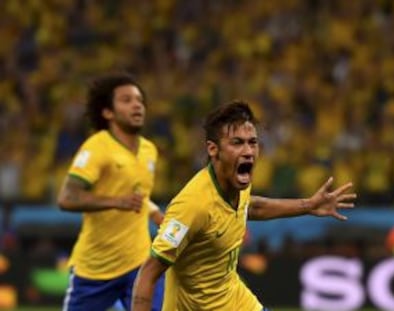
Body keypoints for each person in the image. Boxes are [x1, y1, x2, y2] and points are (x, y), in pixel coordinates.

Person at [131, 100, 357, 311]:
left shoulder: (237, 179)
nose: (248, 152)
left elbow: (252, 207)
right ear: (213, 149)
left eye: (252, 143)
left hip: (235, 300)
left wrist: (308, 205)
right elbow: (149, 272)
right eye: (237, 143)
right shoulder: (192, 206)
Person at [57, 72, 164, 311]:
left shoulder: (149, 150)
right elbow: (67, 198)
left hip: (139, 263)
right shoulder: (97, 147)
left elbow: (139, 195)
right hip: (95, 269)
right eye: (126, 100)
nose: (137, 105)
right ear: (108, 112)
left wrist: (155, 213)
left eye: (139, 100)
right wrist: (116, 201)